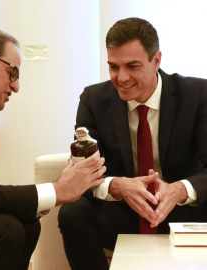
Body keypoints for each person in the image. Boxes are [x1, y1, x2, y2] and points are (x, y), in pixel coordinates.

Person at [0, 29, 106, 270]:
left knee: (26, 224)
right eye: (12, 72)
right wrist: (56, 190)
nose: (15, 86)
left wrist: (51, 195)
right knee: (6, 232)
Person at [58, 17, 207, 270]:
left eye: (132, 66)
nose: (122, 77)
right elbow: (84, 172)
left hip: (182, 211)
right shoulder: (93, 99)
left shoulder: (198, 95)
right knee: (73, 215)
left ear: (156, 60)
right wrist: (118, 186)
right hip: (122, 211)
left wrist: (179, 190)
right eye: (113, 67)